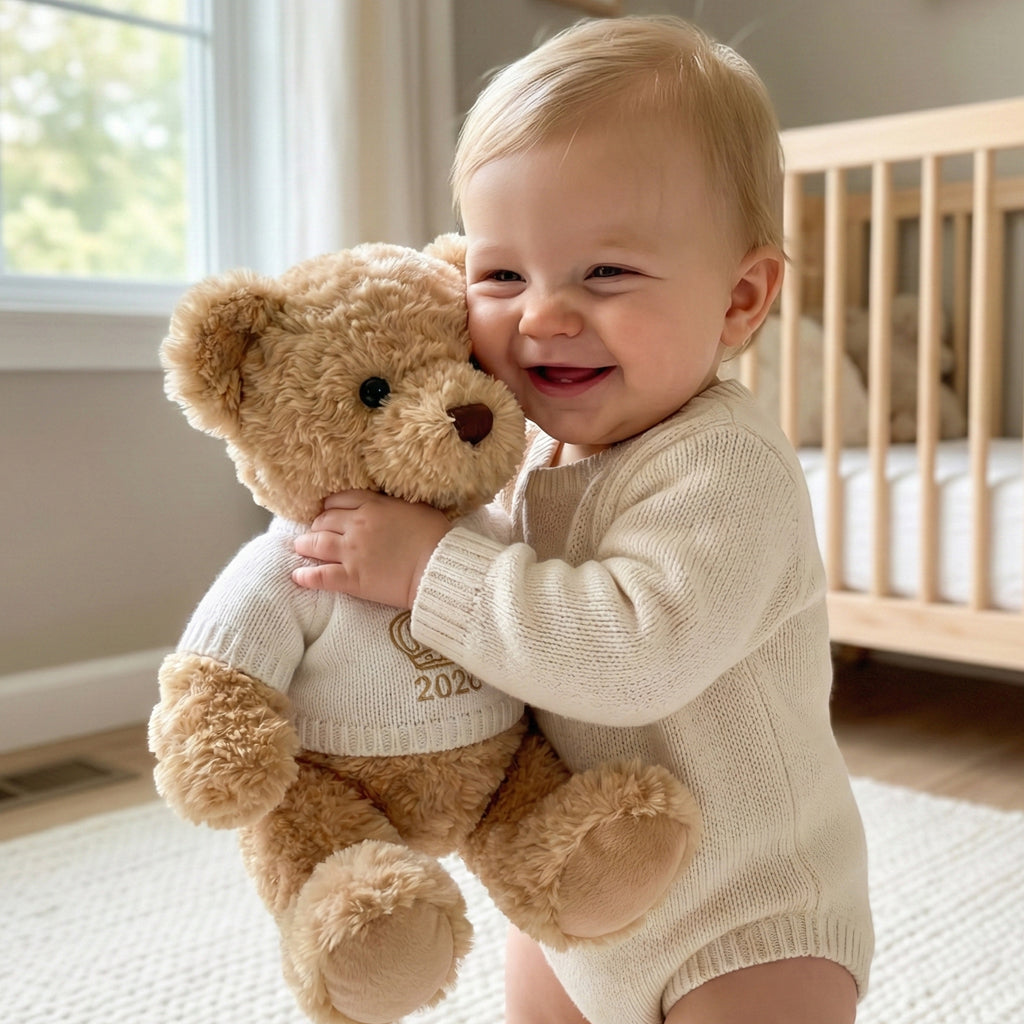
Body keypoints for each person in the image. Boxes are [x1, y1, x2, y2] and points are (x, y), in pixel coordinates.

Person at [292, 15, 873, 1024]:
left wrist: (431, 567)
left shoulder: (724, 466)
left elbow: (626, 654)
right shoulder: (524, 458)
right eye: (501, 274)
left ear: (739, 301)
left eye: (604, 273)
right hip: (578, 891)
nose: (543, 315)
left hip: (744, 915)